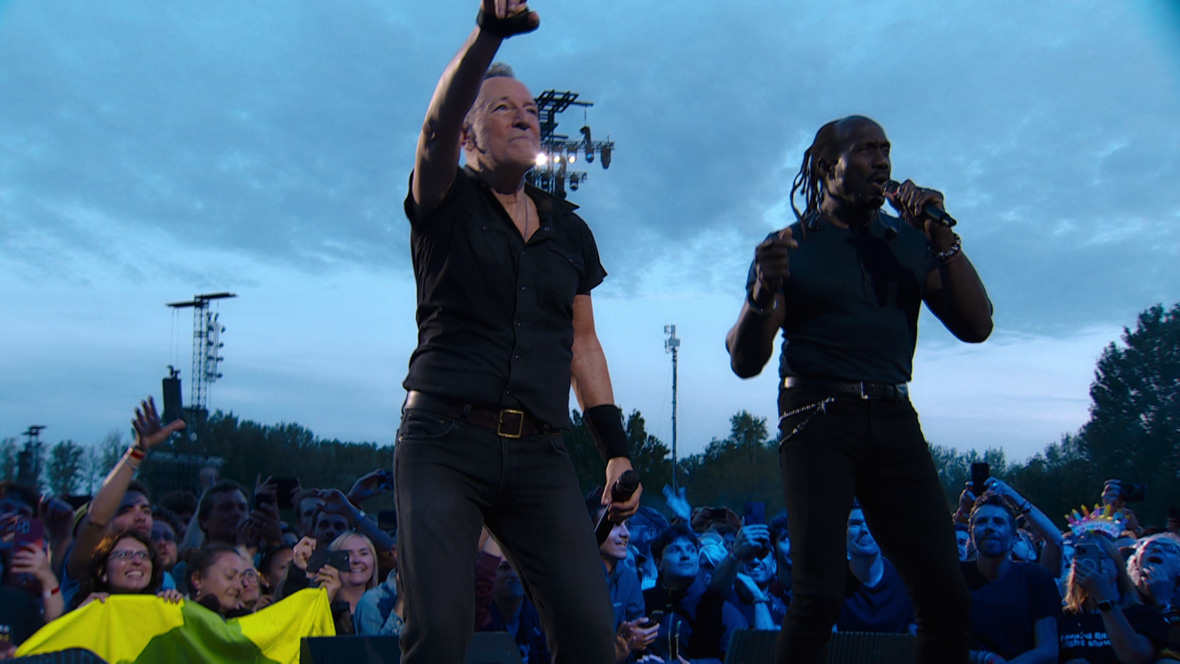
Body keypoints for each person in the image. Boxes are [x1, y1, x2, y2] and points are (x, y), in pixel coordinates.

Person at [395, 1, 639, 662]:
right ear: (471, 134)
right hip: (444, 438)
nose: (525, 114)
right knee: (441, 633)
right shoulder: (445, 198)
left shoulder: (568, 228)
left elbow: (583, 344)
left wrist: (614, 449)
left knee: (591, 634)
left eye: (529, 107)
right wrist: (488, 35)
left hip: (539, 448)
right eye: (502, 107)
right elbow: (434, 125)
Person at [725, 115, 993, 664]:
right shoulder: (792, 245)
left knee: (946, 594)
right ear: (829, 168)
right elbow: (745, 362)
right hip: (818, 417)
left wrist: (941, 236)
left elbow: (977, 325)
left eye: (887, 150)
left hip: (893, 417)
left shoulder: (908, 242)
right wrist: (760, 292)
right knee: (818, 595)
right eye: (867, 150)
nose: (884, 161)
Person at [962, 495, 1059, 663]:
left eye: (999, 522)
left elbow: (1049, 650)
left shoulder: (1036, 577)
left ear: (1015, 537)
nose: (989, 527)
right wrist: (983, 658)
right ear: (971, 535)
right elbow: (938, 646)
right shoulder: (956, 576)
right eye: (982, 522)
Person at [643, 523, 747, 663]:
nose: (686, 555)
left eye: (691, 550)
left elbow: (740, 658)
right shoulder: (644, 601)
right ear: (658, 563)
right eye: (675, 550)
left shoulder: (720, 608)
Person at [1059, 532, 1168, 664]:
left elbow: (1137, 658)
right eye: (1085, 559)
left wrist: (1104, 597)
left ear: (1117, 566)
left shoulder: (1143, 614)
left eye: (1101, 557)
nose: (1094, 565)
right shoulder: (1065, 616)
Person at [837, 505, 914, 634]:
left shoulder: (905, 582)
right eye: (855, 524)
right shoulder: (832, 583)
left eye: (870, 522)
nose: (864, 529)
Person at [72, 531, 182, 610]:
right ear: (102, 571)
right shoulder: (88, 609)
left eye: (143, 555)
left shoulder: (164, 606)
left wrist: (175, 608)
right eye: (124, 555)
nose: (137, 561)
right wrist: (81, 615)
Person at [187, 543, 249, 618]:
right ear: (198, 579)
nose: (239, 587)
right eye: (230, 576)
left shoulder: (247, 620)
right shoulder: (177, 616)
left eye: (241, 581)